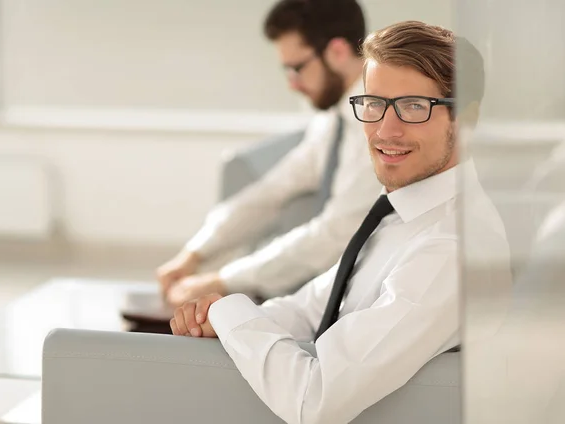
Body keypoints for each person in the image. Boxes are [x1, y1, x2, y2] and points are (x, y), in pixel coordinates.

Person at [170, 20, 512, 423]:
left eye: (414, 107)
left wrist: (231, 317)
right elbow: (310, 307)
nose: (386, 130)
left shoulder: (451, 251)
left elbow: (314, 400)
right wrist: (220, 316)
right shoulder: (398, 215)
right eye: (374, 103)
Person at [157, 0, 382, 307]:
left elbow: (335, 234)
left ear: (338, 52)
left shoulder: (374, 122)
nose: (293, 84)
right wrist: (195, 253)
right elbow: (273, 191)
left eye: (297, 68)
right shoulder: (333, 121)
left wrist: (222, 281)